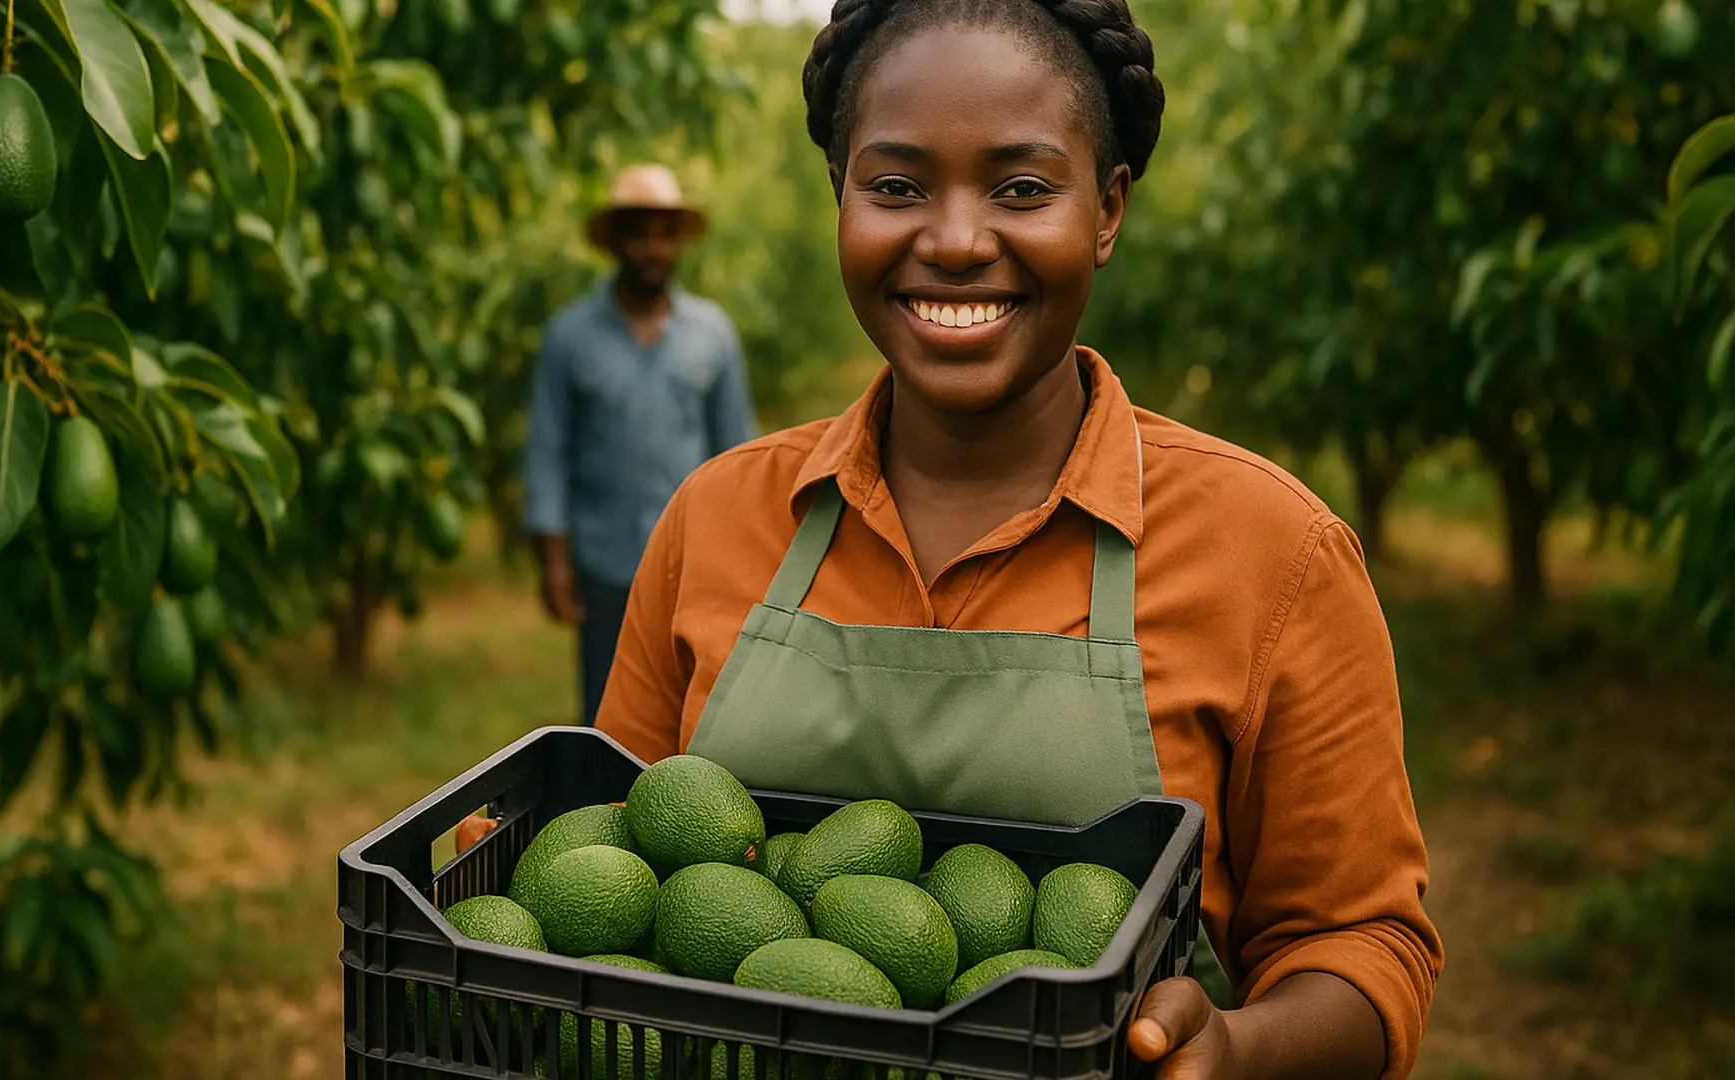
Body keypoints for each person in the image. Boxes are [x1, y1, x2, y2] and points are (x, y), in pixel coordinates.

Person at [590, 2, 1444, 1077]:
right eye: (895, 186)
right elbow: (613, 856)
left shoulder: (1272, 551)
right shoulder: (716, 517)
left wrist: (1236, 1048)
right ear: (840, 201)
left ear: (1108, 209)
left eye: (1022, 188)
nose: (953, 241)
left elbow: (1365, 946)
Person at [522, 163, 759, 726]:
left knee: (697, 715)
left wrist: (744, 559)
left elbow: (738, 454)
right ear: (617, 243)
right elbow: (548, 453)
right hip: (604, 565)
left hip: (696, 565)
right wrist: (555, 565)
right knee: (608, 719)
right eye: (639, 234)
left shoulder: (712, 334)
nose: (653, 248)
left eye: (664, 234)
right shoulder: (571, 337)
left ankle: (680, 816)